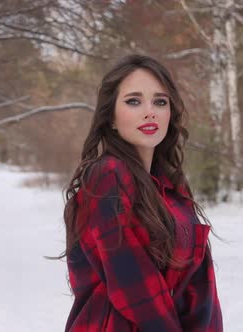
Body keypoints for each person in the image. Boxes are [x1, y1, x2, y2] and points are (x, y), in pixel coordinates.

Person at [63, 54, 222, 331]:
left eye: (160, 101)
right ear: (110, 117)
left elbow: (198, 290)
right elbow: (131, 283)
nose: (150, 111)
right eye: (133, 101)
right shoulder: (107, 175)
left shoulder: (172, 190)